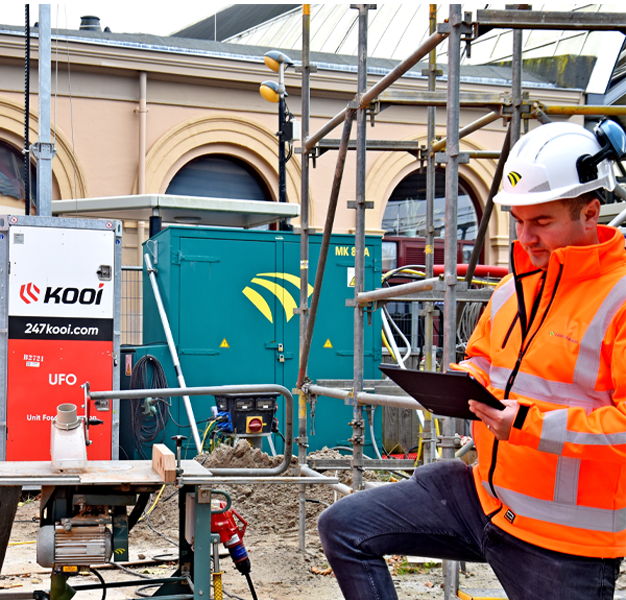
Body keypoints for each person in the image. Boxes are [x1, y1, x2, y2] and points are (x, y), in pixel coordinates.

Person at [318, 121, 626, 600]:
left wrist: (524, 424)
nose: (525, 237)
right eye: (518, 221)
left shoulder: (621, 298)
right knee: (345, 527)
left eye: (541, 222)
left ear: (590, 212)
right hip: (485, 498)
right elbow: (485, 360)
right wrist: (464, 382)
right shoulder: (512, 290)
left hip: (564, 541)